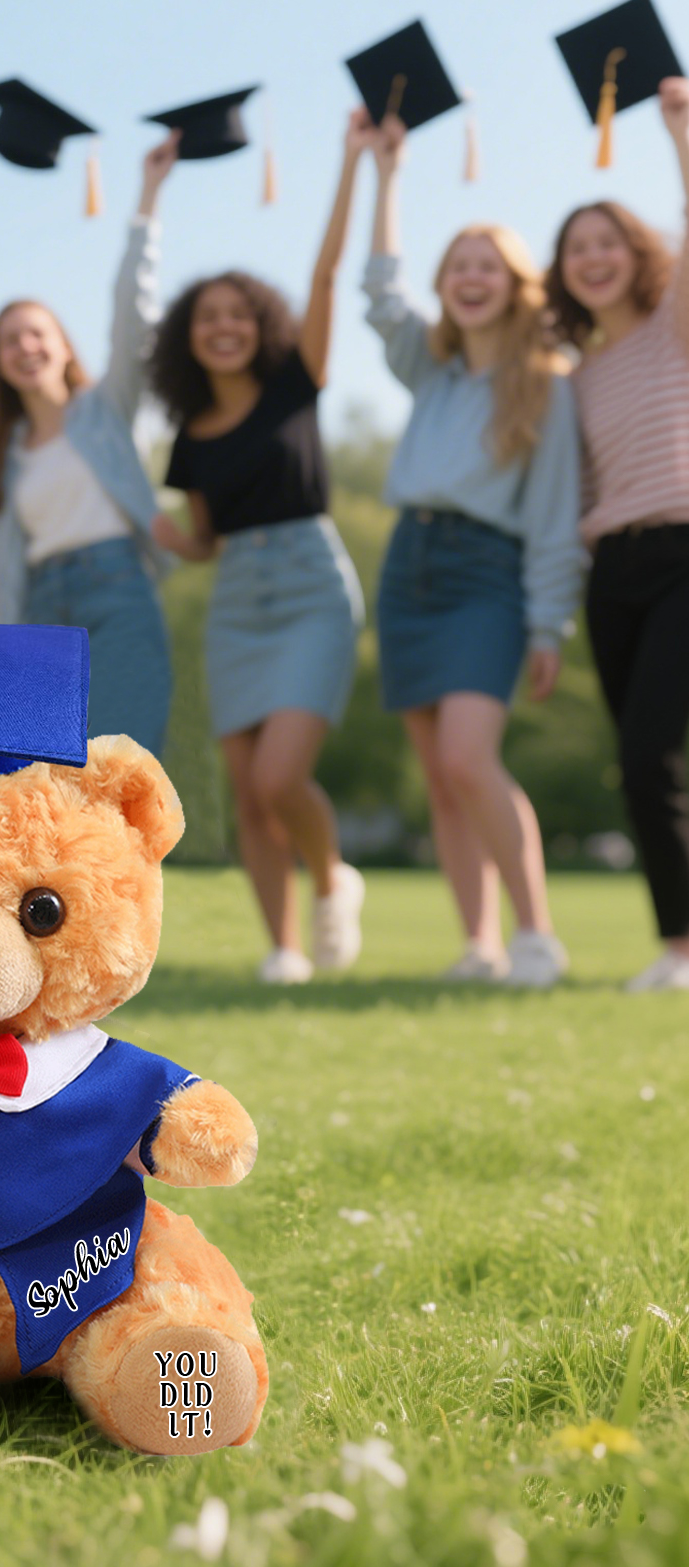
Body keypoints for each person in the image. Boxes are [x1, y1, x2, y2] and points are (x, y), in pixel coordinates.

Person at [151, 112, 372, 985]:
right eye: (209, 317)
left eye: (240, 313)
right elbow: (206, 539)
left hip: (311, 583)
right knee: (247, 789)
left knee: (282, 777)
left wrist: (351, 161)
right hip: (237, 594)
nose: (225, 327)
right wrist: (180, 540)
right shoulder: (189, 436)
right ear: (189, 335)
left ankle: (333, 876)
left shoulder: (293, 383)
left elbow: (325, 272)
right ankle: (282, 946)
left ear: (261, 323)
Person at [364, 112, 584, 988]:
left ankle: (535, 935)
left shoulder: (546, 388)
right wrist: (386, 173)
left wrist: (546, 624)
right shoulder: (432, 368)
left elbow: (556, 513)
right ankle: (478, 944)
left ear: (516, 282)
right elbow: (380, 293)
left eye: (485, 266)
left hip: (485, 571)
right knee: (437, 771)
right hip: (407, 565)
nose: (469, 279)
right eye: (456, 268)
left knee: (467, 755)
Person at [549, 76, 689, 992]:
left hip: (685, 546)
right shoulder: (572, 372)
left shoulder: (675, 321)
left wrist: (679, 130)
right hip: (616, 571)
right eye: (575, 250)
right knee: (641, 767)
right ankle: (677, 944)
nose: (592, 258)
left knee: (652, 749)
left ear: (638, 252)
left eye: (607, 243)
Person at [0, 138, 175, 755]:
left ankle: (128, 860)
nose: (25, 346)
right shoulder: (3, 452)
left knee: (123, 761)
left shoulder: (106, 409)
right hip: (41, 608)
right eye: (10, 340)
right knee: (48, 772)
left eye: (36, 333)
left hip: (117, 588)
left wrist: (146, 202)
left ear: (63, 344)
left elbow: (131, 317)